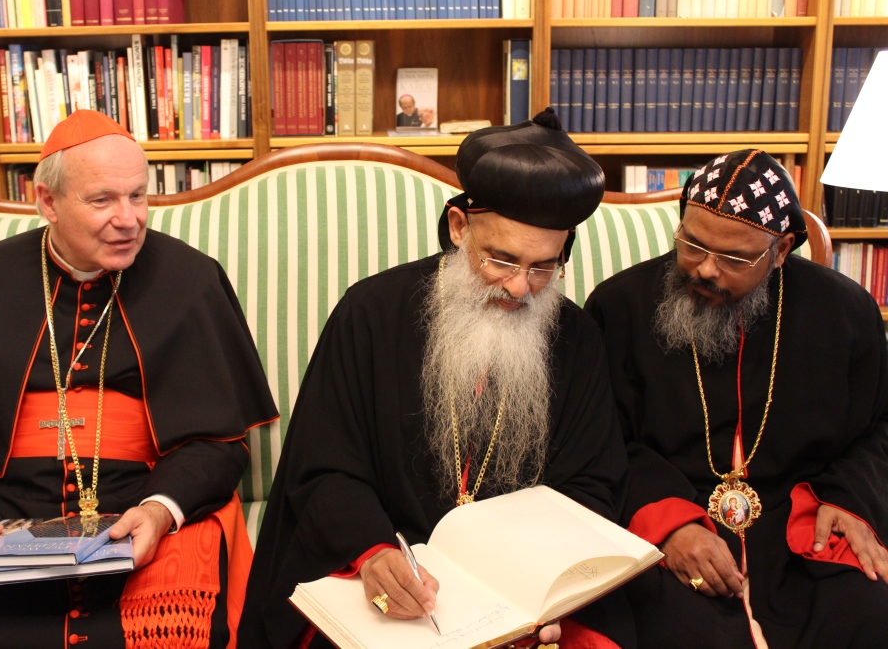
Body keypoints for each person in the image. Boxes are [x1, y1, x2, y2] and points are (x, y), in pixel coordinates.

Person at [0, 110, 278, 649]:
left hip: (143, 520)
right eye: (102, 200)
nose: (129, 219)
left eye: (138, 196)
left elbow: (217, 443)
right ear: (48, 202)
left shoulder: (192, 280)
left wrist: (160, 511)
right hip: (2, 524)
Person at [240, 108, 635, 649]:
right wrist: (372, 552)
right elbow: (326, 466)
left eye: (544, 267)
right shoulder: (371, 314)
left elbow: (591, 486)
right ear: (458, 227)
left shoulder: (576, 338)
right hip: (392, 573)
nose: (520, 288)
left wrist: (543, 588)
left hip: (520, 589)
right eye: (501, 260)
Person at [584, 148, 888, 648]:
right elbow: (599, 440)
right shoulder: (620, 308)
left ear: (781, 249)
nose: (705, 270)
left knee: (869, 614)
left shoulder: (845, 312)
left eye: (734, 258)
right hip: (673, 519)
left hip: (800, 524)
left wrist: (850, 499)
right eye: (692, 245)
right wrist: (668, 523)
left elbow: (878, 426)